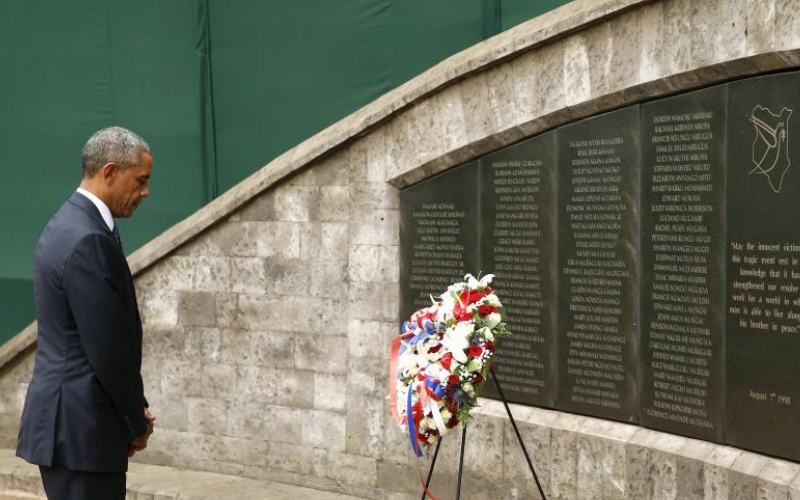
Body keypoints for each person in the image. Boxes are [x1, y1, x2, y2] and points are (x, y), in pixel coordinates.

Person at [16, 126, 156, 500]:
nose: (145, 192)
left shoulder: (69, 223)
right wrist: (134, 420)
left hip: (73, 429)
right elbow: (107, 348)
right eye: (140, 181)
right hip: (84, 433)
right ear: (110, 171)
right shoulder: (88, 238)